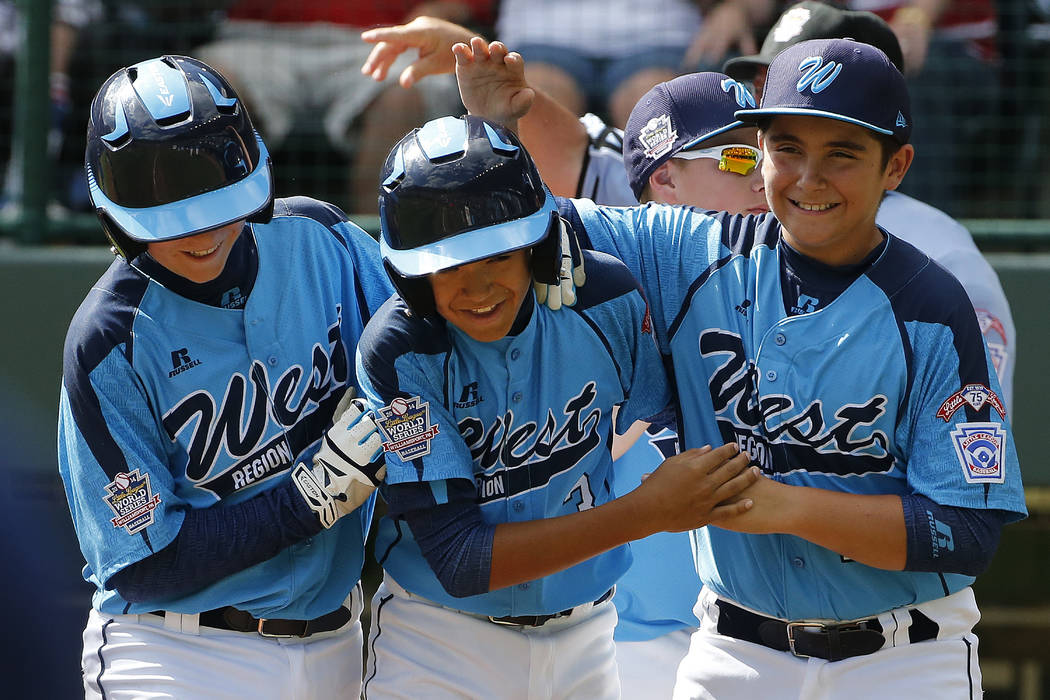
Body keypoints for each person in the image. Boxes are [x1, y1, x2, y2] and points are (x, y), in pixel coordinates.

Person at [454, 37, 1027, 699]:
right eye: (787, 149)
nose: (808, 178)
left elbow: (968, 530)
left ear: (894, 166)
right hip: (734, 652)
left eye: (840, 154)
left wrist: (789, 507)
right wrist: (492, 132)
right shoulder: (684, 252)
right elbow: (538, 232)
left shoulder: (932, 306)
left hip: (902, 660)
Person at [369, 10, 1015, 411]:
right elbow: (590, 158)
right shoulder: (691, 210)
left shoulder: (943, 259)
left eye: (802, 98)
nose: (768, 127)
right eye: (767, 95)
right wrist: (468, 51)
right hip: (701, 611)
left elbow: (964, 461)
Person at [355, 113, 759, 699]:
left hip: (590, 637)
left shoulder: (605, 299)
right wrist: (648, 511)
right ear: (413, 277)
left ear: (535, 248)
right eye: (448, 268)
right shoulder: (400, 350)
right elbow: (461, 560)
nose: (477, 288)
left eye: (496, 256)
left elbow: (673, 412)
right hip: (438, 643)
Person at [58, 55, 393, 699]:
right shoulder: (108, 341)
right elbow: (148, 564)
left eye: (216, 203)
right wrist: (312, 495)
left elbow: (423, 359)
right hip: (176, 652)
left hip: (338, 643)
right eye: (170, 216)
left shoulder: (320, 239)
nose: (202, 232)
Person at [193, 1, 493, 214]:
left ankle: (379, 254)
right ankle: (223, 245)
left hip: (378, 38)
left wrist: (442, 9)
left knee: (404, 93)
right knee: (204, 89)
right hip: (255, 38)